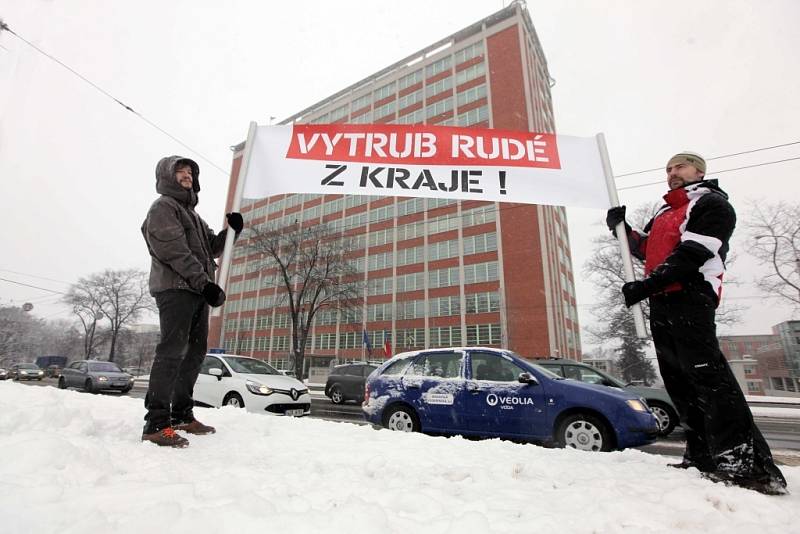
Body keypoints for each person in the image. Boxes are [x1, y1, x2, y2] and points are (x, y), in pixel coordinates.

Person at [605, 151, 787, 495]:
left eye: (681, 167)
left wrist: (645, 286)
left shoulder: (712, 205)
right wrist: (622, 230)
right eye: (669, 168)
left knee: (707, 378)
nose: (673, 172)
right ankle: (701, 456)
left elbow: (692, 254)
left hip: (691, 296)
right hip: (662, 301)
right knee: (679, 380)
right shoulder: (665, 212)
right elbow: (646, 250)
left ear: (699, 171)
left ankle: (741, 464)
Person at [141, 155, 244, 448]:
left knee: (195, 353)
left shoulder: (194, 217)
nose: (186, 175)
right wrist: (206, 284)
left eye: (189, 172)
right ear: (166, 177)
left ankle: (182, 415)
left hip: (196, 291)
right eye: (180, 172)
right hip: (175, 289)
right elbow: (174, 252)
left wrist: (232, 232)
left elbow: (211, 248)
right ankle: (157, 423)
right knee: (172, 352)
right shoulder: (163, 207)